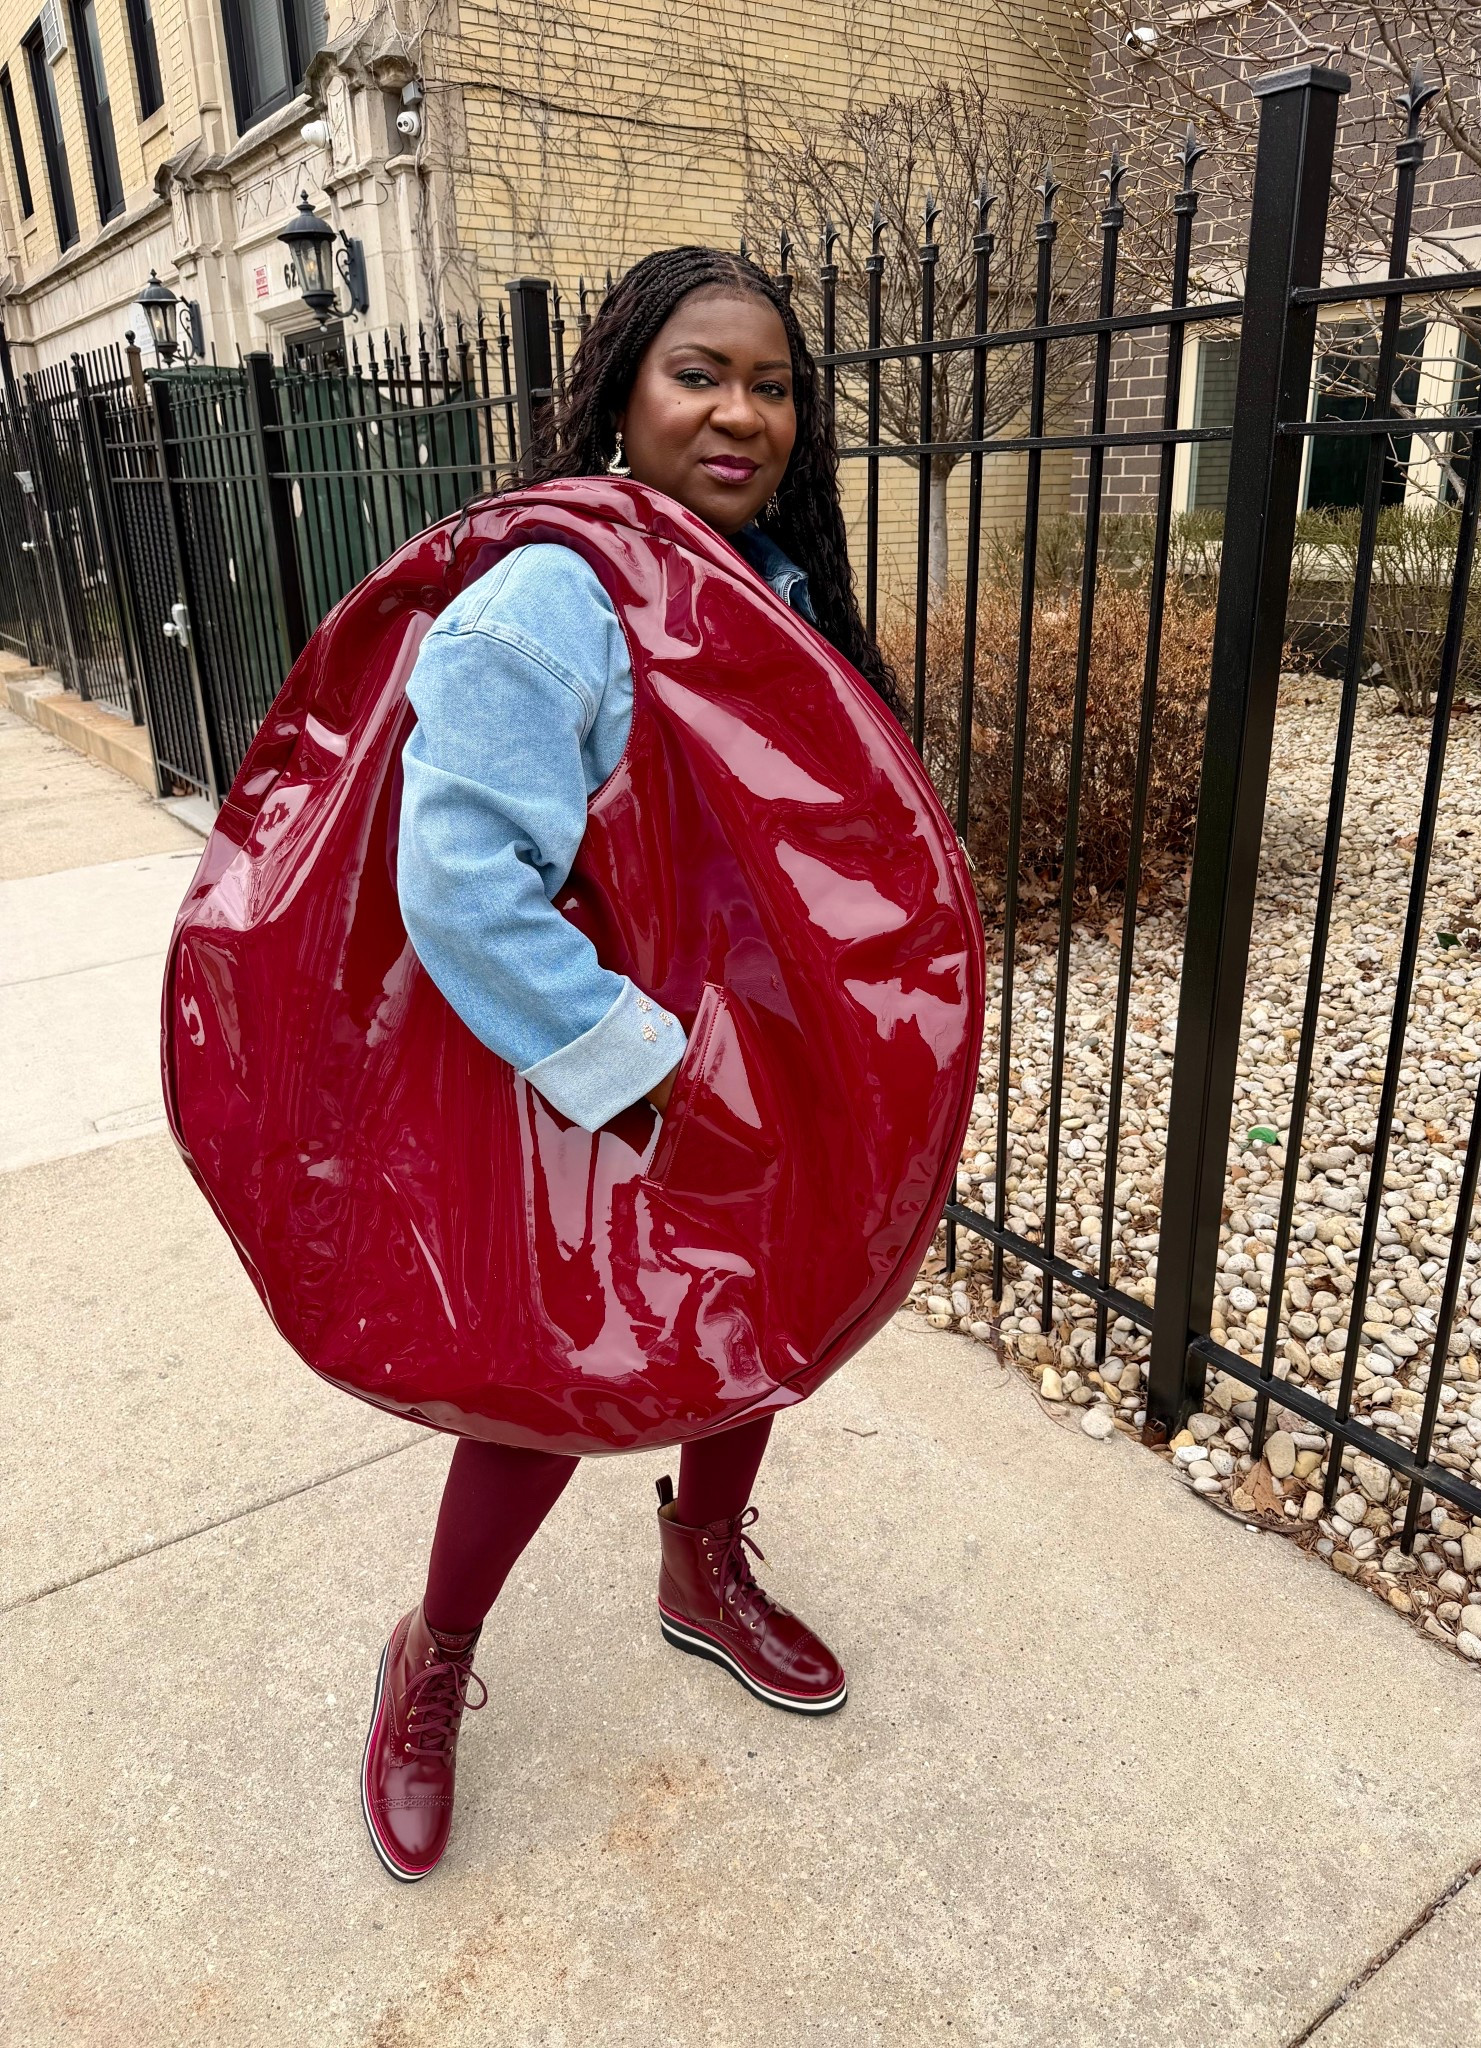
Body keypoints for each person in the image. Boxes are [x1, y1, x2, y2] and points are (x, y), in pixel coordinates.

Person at [362, 246, 901, 1883]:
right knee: (552, 1375)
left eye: (776, 385)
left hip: (772, 1056)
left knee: (764, 1310)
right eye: (699, 374)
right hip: (611, 1072)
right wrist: (653, 1077)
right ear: (619, 391)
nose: (743, 413)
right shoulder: (551, 598)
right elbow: (458, 884)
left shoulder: (769, 581)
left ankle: (703, 1564)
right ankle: (433, 1658)